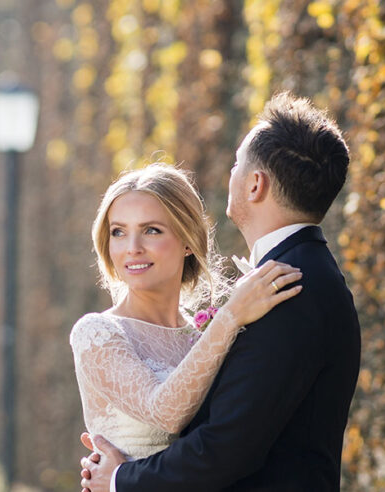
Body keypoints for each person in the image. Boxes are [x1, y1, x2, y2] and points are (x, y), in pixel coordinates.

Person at [80, 92, 361, 491]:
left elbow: (225, 447)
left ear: (255, 184)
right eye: (119, 232)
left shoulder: (288, 288)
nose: (132, 247)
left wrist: (121, 479)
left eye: (235, 164)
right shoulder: (299, 278)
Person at [70, 163, 303, 460]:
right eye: (118, 232)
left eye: (151, 230)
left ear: (188, 241)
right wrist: (230, 317)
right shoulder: (97, 333)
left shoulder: (203, 334)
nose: (132, 248)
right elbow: (165, 413)